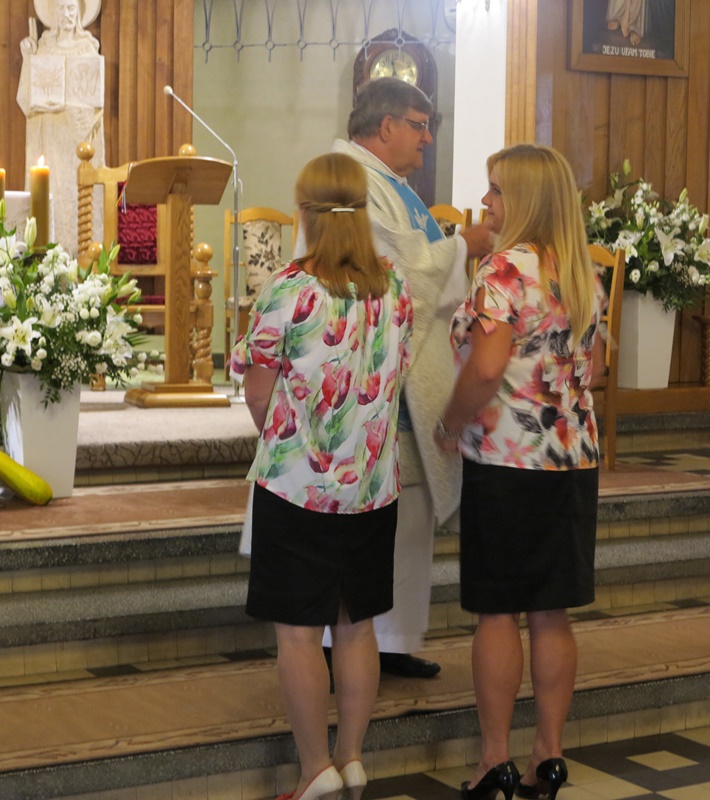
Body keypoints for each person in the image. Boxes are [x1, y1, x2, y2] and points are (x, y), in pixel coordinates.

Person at [230, 152, 413, 800]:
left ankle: (315, 771)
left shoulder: (288, 290)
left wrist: (289, 442)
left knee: (299, 634)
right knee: (357, 627)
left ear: (306, 213)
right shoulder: (394, 287)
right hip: (372, 488)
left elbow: (258, 393)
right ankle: (352, 758)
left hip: (297, 489)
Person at [435, 144, 605, 800]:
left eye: (496, 190)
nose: (486, 202)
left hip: (507, 460)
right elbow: (592, 369)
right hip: (570, 459)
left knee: (498, 613)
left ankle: (494, 761)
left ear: (526, 199)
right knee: (550, 613)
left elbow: (485, 369)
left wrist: (450, 423)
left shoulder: (504, 269)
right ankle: (549, 755)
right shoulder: (578, 271)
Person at [326, 76, 494, 679]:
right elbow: (398, 270)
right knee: (376, 520)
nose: (427, 140)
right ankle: (346, 642)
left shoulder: (385, 182)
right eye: (419, 126)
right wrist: (462, 244)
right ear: (386, 125)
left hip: (406, 377)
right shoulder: (346, 177)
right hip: (372, 384)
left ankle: (390, 642)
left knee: (408, 518)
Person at [17, 0, 105, 252]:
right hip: (50, 136)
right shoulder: (43, 47)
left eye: (71, 8)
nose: (66, 14)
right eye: (62, 8)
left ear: (79, 13)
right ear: (53, 12)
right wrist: (28, 59)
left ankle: (83, 257)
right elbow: (27, 99)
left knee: (78, 196)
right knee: (51, 195)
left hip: (79, 137)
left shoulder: (88, 47)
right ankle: (46, 256)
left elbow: (95, 100)